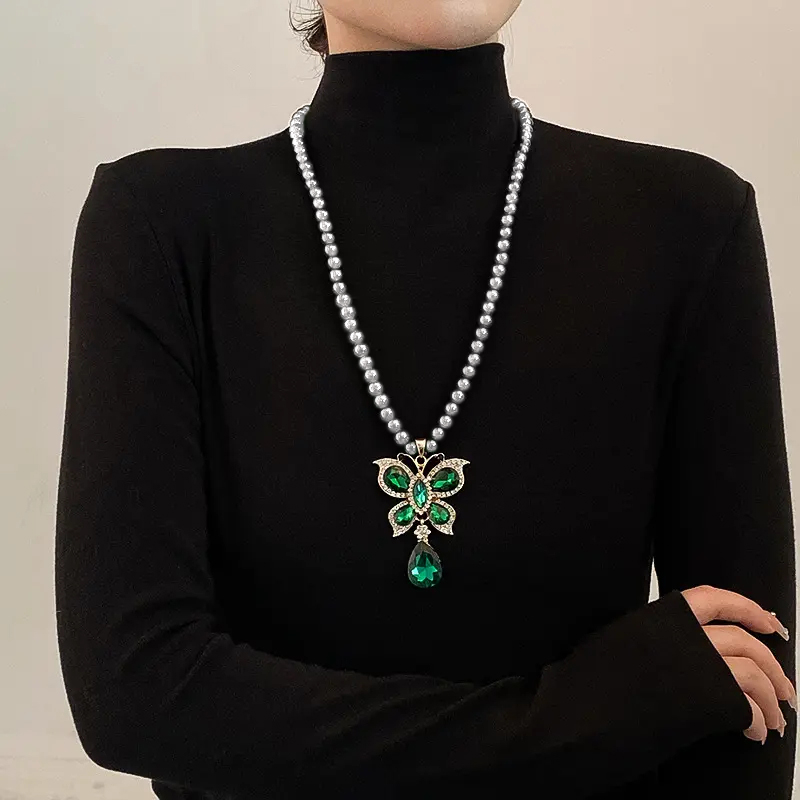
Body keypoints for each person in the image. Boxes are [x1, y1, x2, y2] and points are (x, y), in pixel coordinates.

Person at [55, 2, 796, 798]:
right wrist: (588, 709)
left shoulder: (688, 223)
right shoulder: (163, 225)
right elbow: (134, 695)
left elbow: (749, 703)